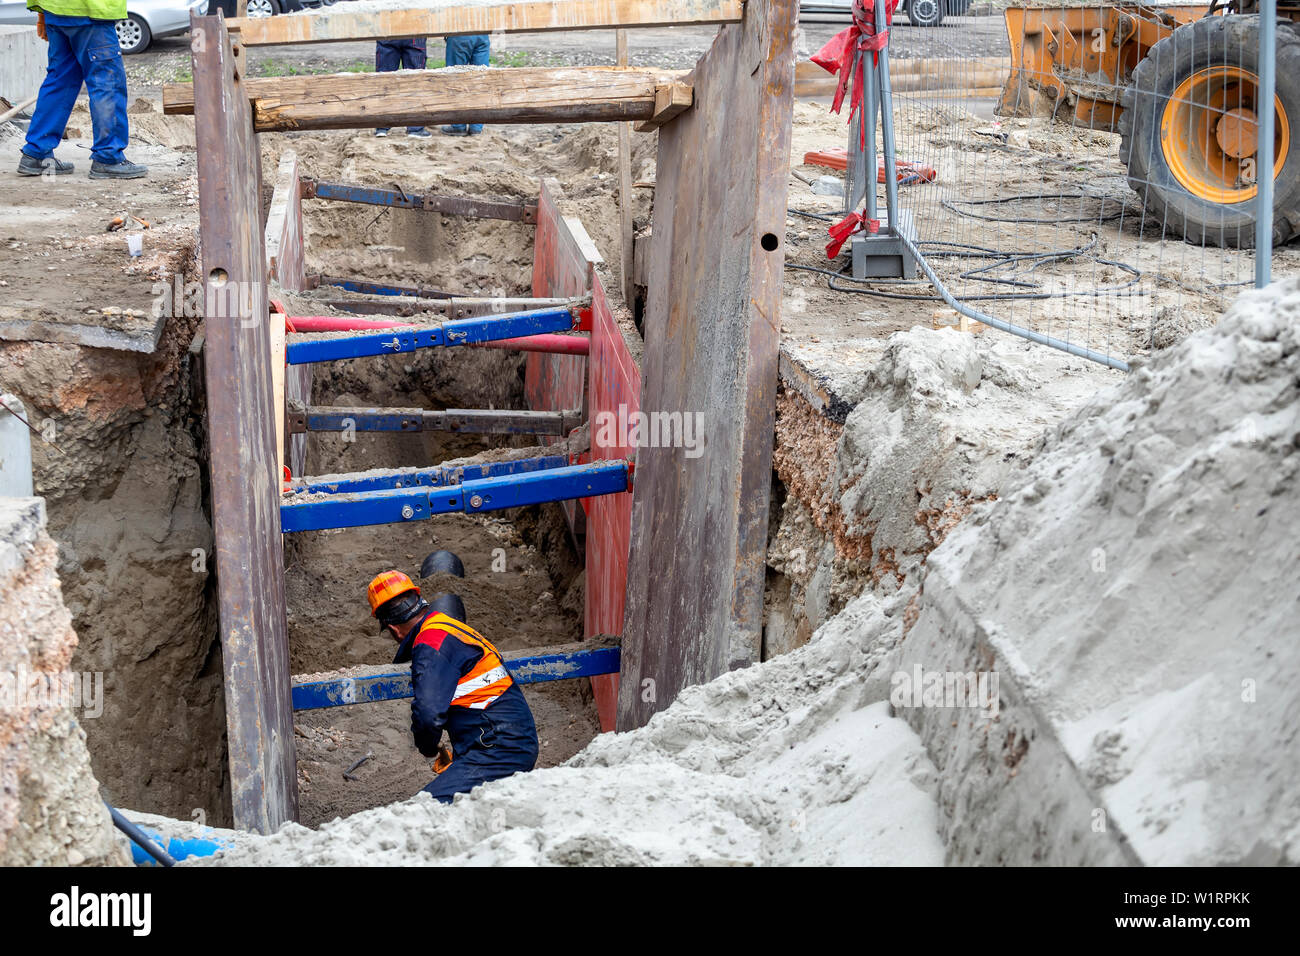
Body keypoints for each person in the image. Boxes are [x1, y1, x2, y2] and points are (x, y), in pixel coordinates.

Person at [367, 552, 539, 803]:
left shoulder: (431, 642)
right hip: (504, 740)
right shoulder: (446, 626)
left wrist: (428, 748)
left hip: (498, 749)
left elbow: (428, 714)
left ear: (392, 628)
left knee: (425, 809)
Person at [17, 1, 146, 179]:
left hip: (55, 10)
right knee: (107, 83)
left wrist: (42, 13)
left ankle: (36, 153)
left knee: (60, 81)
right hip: (91, 12)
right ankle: (108, 158)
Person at [373, 37, 431, 138]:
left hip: (388, 32)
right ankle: (415, 127)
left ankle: (382, 126)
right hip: (414, 33)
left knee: (385, 81)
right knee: (414, 80)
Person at [440, 33, 490, 136]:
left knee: (455, 79)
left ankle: (458, 125)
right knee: (480, 80)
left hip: (459, 33)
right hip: (482, 34)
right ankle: (476, 127)